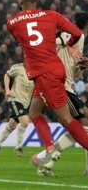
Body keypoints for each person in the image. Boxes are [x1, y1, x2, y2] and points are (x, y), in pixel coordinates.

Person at [6, 0, 88, 169]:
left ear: (20, 1)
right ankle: (49, 147)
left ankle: (50, 151)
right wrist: (69, 44)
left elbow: (23, 41)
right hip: (54, 71)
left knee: (67, 120)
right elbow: (77, 33)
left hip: (44, 74)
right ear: (37, 1)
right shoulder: (52, 15)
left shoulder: (12, 22)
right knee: (34, 113)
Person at [32, 12, 88, 176]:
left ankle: (46, 164)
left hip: (55, 83)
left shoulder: (66, 37)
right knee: (83, 125)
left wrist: (81, 67)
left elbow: (73, 67)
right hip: (60, 86)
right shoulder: (75, 35)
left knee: (76, 127)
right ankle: (43, 158)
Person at [0, 63, 33, 157]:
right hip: (15, 99)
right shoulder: (18, 68)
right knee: (25, 122)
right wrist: (7, 90)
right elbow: (7, 75)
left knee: (12, 125)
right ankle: (18, 147)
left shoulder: (37, 71)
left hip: (26, 102)